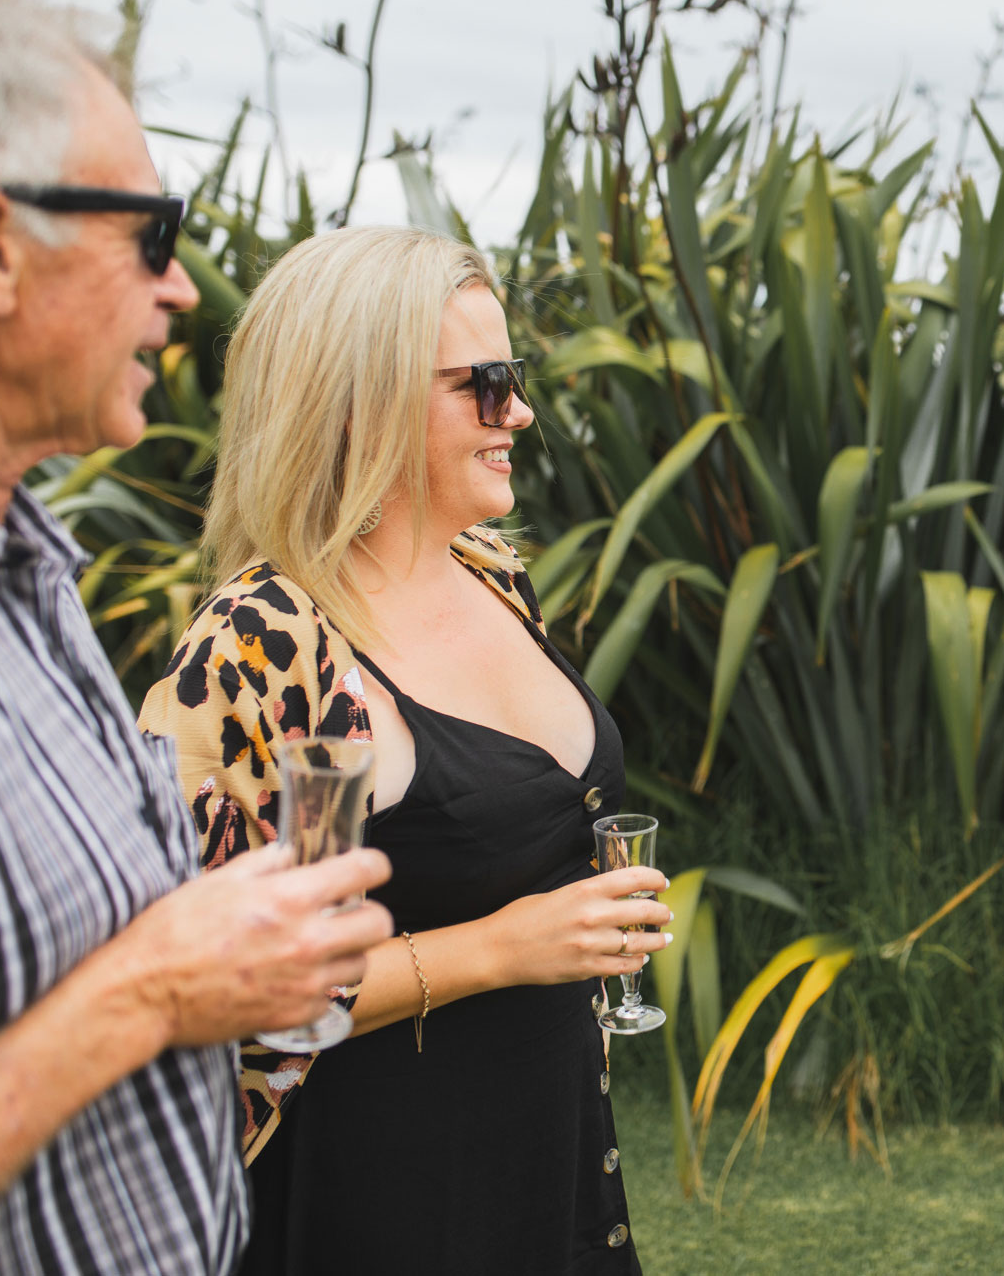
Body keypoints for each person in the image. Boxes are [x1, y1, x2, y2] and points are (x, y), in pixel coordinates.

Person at [0, 0, 395, 1276]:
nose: (185, 289)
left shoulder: (31, 579)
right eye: (152, 234)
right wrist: (153, 988)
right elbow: (144, 982)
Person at [137, 224, 671, 1274]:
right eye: (484, 383)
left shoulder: (488, 573)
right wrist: (503, 948)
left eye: (512, 379)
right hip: (383, 1202)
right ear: (362, 400)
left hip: (552, 1166)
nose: (517, 410)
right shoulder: (270, 644)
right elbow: (237, 991)